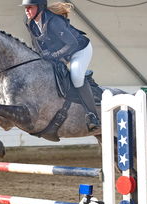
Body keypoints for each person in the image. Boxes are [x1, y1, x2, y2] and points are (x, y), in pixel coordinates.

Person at [21, 0, 100, 131]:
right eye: (25, 8)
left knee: (76, 78)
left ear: (40, 7)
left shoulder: (53, 22)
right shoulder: (32, 24)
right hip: (62, 53)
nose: (26, 10)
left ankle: (92, 116)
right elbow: (37, 47)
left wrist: (53, 55)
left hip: (80, 50)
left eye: (30, 7)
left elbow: (73, 44)